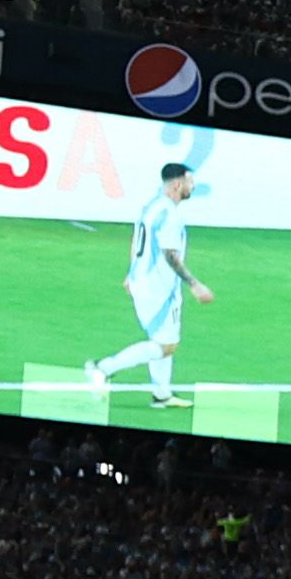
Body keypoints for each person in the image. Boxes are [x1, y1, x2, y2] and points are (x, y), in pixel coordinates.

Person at [89, 155, 209, 408]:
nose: (193, 187)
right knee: (166, 345)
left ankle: (161, 394)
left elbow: (138, 240)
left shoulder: (153, 207)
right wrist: (194, 284)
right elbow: (170, 255)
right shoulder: (170, 216)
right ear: (177, 185)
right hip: (159, 289)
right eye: (190, 182)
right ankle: (102, 368)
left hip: (143, 282)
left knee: (162, 337)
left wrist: (131, 272)